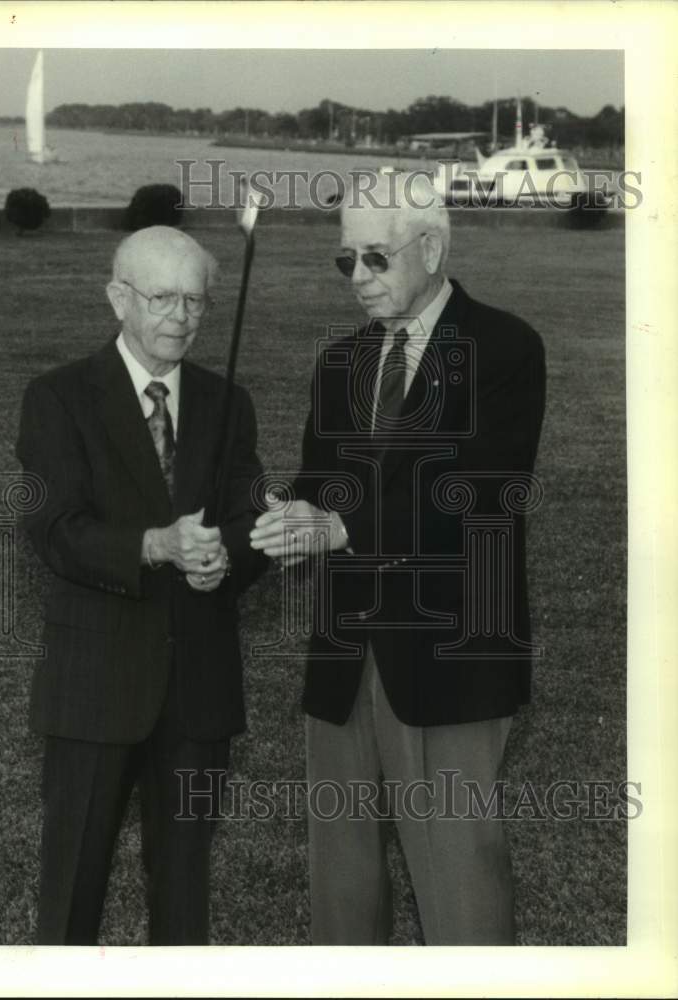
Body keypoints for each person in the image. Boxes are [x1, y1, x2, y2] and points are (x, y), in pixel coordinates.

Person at [250, 171, 546, 945]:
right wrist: (275, 521)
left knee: (460, 888)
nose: (358, 278)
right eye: (344, 260)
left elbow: (476, 491)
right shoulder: (340, 362)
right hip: (343, 657)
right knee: (341, 889)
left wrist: (337, 528)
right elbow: (318, 486)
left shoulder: (504, 347)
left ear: (432, 248)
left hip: (452, 655)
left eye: (375, 258)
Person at [16, 225, 266, 945]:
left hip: (198, 690)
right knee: (72, 894)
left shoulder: (228, 402)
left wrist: (227, 560)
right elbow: (54, 529)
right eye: (162, 298)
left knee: (184, 898)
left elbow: (248, 519)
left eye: (195, 301)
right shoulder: (58, 397)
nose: (181, 317)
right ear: (117, 298)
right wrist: (156, 545)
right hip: (93, 686)